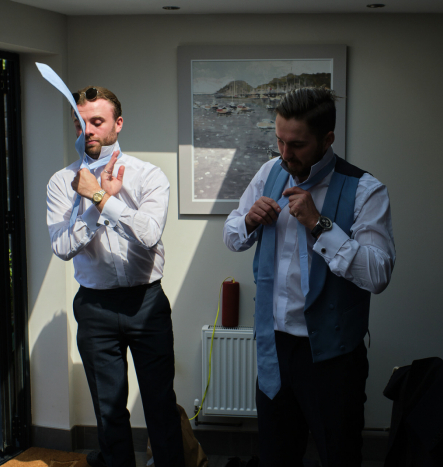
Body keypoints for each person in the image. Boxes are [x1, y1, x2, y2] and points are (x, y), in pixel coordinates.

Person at [223, 88, 396, 467]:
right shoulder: (269, 172)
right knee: (276, 457)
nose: (285, 155)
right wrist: (250, 219)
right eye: (279, 141)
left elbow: (379, 273)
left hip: (333, 360)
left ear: (327, 139)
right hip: (275, 349)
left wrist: (321, 225)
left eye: (297, 145)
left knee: (340, 456)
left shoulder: (366, 190)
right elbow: (232, 235)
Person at [46, 86, 184, 467]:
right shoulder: (62, 183)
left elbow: (149, 234)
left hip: (147, 304)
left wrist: (105, 200)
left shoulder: (148, 175)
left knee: (160, 406)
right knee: (109, 411)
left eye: (96, 121)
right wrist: (90, 201)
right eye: (80, 122)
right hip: (96, 309)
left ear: (117, 124)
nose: (87, 130)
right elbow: (61, 247)